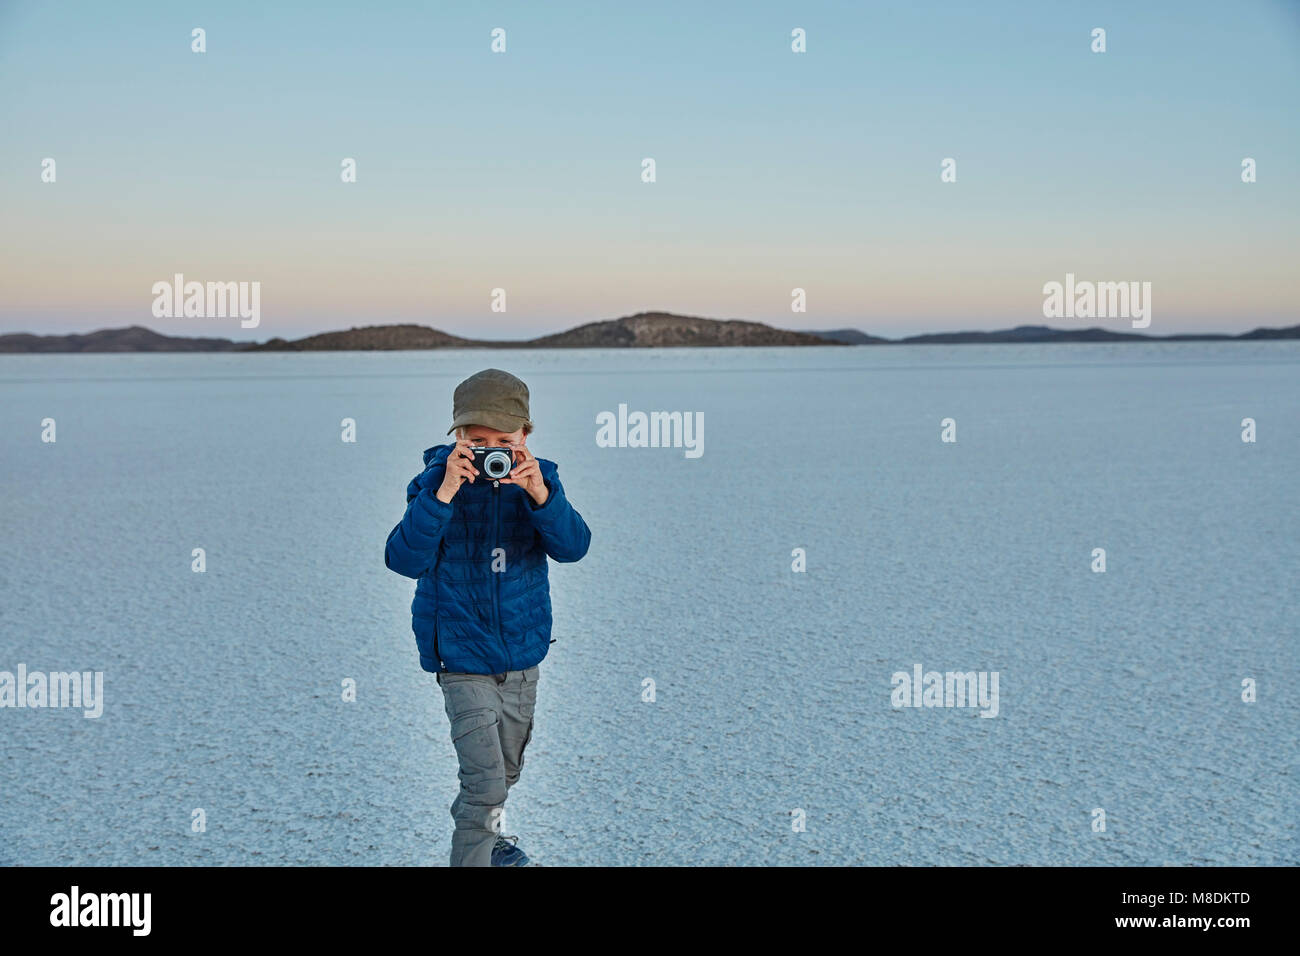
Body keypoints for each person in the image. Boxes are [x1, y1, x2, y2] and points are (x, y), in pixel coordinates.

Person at [384, 368, 591, 866]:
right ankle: (478, 847)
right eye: (478, 439)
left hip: (520, 654)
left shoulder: (542, 482)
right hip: (460, 655)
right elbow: (403, 559)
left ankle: (488, 843)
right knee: (484, 785)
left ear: (525, 435)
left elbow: (574, 548)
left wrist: (541, 495)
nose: (490, 449)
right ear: (456, 435)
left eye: (504, 439)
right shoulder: (434, 483)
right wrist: (444, 493)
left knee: (505, 772)